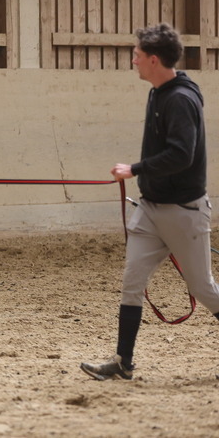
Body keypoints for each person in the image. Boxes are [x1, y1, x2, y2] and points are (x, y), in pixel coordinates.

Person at [81, 23, 219, 380]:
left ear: (154, 60)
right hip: (153, 209)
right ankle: (122, 363)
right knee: (132, 281)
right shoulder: (158, 92)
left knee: (203, 289)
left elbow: (182, 155)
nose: (133, 61)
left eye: (137, 56)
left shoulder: (180, 100)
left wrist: (135, 169)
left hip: (184, 213)